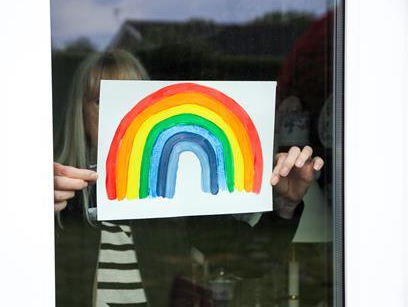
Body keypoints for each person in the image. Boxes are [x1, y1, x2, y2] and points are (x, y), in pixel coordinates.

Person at [53, 50, 324, 307]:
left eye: (129, 100)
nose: (119, 113)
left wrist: (286, 205)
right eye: (101, 101)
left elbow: (248, 262)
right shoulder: (59, 198)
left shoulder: (177, 194)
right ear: (81, 113)